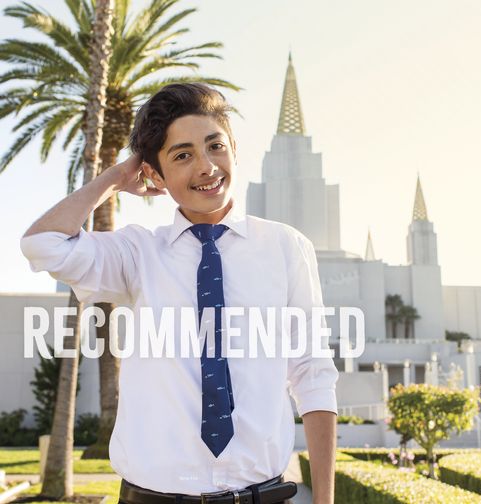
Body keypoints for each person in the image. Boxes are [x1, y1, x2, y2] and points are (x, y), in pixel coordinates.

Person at [20, 83, 339, 504]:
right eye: (182, 155)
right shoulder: (138, 253)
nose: (207, 167)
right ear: (154, 174)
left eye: (215, 146)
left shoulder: (285, 247)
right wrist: (116, 178)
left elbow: (312, 374)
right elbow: (42, 245)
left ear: (234, 149)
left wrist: (326, 500)